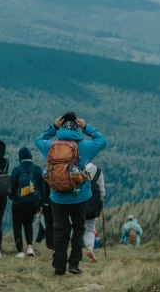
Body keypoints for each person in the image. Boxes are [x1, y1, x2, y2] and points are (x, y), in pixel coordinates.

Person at [36, 113, 107, 276]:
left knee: (60, 230)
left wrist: (53, 128)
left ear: (61, 126)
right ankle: (74, 264)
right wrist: (86, 127)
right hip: (80, 196)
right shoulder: (85, 146)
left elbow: (38, 140)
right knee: (79, 228)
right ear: (76, 125)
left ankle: (59, 266)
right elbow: (102, 140)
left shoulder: (50, 145)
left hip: (57, 196)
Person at [9, 147, 44, 259]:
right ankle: (29, 247)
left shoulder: (16, 170)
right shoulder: (37, 170)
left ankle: (20, 251)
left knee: (17, 226)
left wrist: (12, 197)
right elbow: (42, 189)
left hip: (18, 203)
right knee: (28, 224)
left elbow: (12, 188)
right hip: (32, 203)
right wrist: (40, 204)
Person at [83, 162, 105, 263]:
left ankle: (76, 253)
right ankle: (90, 249)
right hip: (92, 207)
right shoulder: (99, 172)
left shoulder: (79, 168)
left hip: (79, 204)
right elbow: (102, 192)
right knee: (90, 229)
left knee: (76, 227)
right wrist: (99, 203)